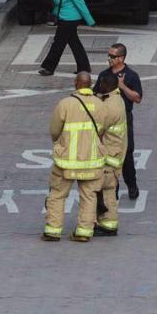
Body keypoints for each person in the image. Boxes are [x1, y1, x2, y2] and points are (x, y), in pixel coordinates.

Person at [43, 71, 107, 242]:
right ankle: (84, 232)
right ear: (90, 84)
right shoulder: (100, 104)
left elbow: (55, 130)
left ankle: (53, 230)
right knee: (89, 195)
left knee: (57, 194)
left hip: (66, 162)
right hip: (91, 161)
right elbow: (102, 129)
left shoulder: (65, 104)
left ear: (76, 84)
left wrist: (58, 143)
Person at [96, 43, 143, 200]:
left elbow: (137, 98)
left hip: (124, 119)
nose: (109, 59)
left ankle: (132, 185)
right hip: (106, 120)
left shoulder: (131, 75)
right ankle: (112, 187)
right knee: (107, 155)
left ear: (121, 58)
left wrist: (122, 86)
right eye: (109, 56)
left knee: (127, 153)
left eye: (113, 56)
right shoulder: (104, 74)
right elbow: (95, 94)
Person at [39, 0, 95, 76]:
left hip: (69, 20)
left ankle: (49, 67)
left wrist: (90, 20)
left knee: (58, 44)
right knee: (74, 43)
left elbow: (80, 4)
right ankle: (84, 67)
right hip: (64, 18)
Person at [94, 74, 127, 237]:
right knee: (106, 189)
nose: (98, 85)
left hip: (109, 155)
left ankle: (109, 224)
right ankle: (105, 221)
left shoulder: (110, 106)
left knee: (107, 190)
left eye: (101, 82)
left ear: (108, 85)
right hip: (114, 153)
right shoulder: (115, 99)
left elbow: (98, 127)